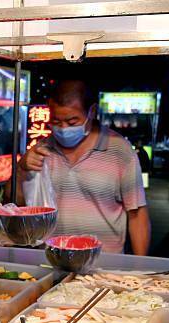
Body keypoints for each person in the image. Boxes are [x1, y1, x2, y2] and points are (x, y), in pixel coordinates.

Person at [16, 80, 151, 255]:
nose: (63, 128)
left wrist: (141, 265)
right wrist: (21, 170)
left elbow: (137, 213)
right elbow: (18, 206)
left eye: (72, 122)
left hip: (103, 268)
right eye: (56, 121)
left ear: (92, 111)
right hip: (52, 263)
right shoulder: (41, 151)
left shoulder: (119, 150)